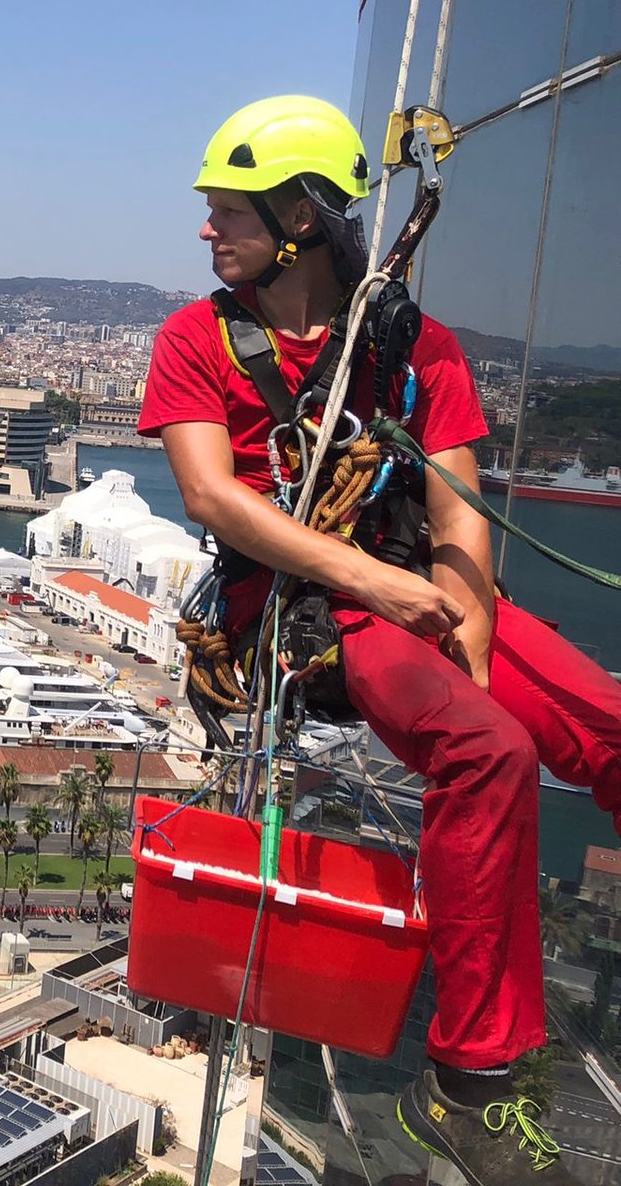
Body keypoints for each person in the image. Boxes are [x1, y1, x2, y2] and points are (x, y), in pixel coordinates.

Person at [140, 95, 621, 1186]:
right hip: (305, 607)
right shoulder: (196, 339)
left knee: (605, 726)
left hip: (416, 585)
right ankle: (470, 1080)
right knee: (487, 752)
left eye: (227, 213)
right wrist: (380, 589)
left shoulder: (413, 345)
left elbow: (457, 512)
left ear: (301, 217)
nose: (208, 233)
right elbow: (215, 499)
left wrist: (477, 639)